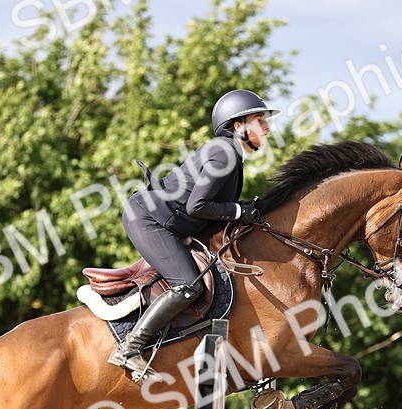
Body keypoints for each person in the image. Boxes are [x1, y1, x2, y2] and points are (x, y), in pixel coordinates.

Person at [109, 89, 278, 378]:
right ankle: (129, 348)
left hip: (168, 220)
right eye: (259, 119)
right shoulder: (224, 152)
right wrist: (238, 212)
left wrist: (242, 211)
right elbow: (197, 205)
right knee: (189, 284)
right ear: (238, 126)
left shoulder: (229, 153)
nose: (266, 126)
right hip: (150, 219)